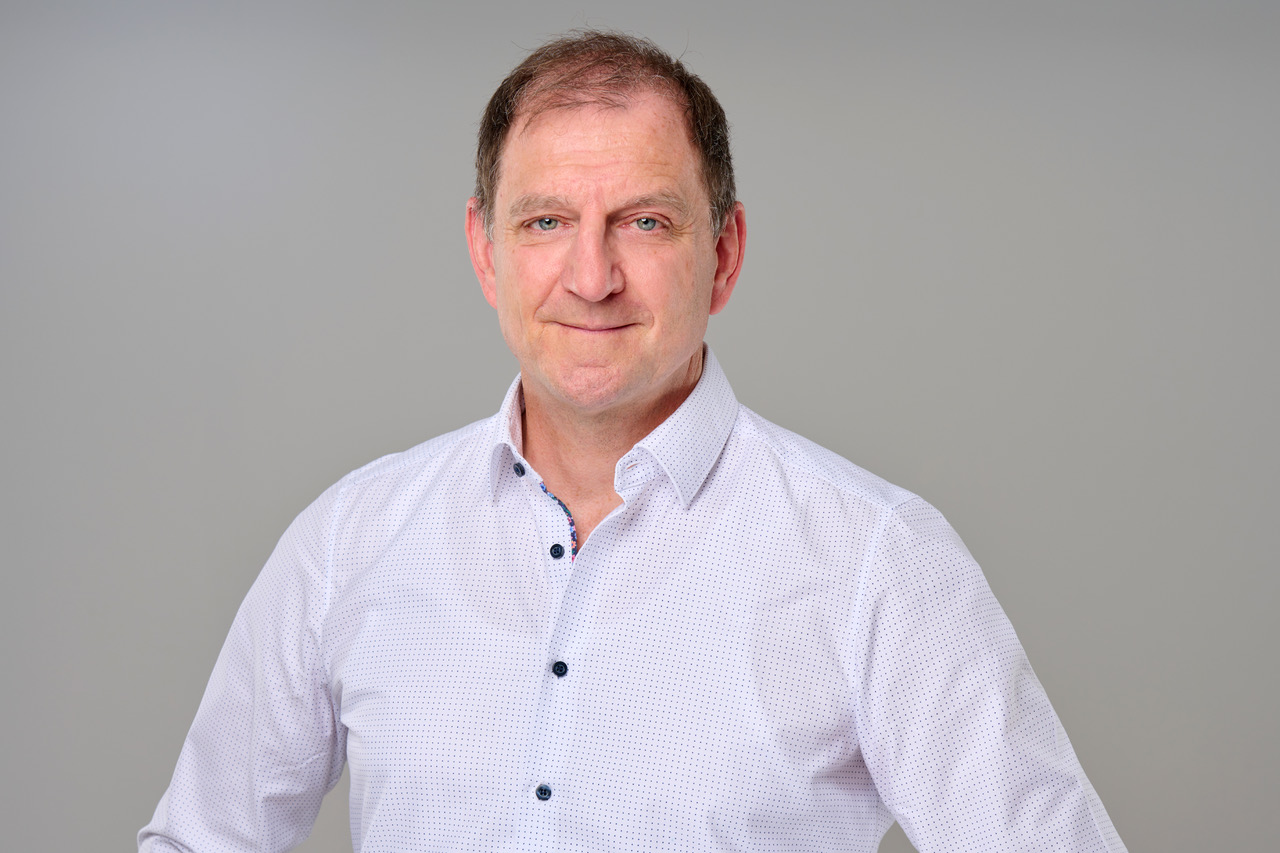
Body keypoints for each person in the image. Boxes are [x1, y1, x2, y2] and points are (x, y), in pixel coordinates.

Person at [140, 30, 1126, 852]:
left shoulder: (876, 562)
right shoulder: (348, 542)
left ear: (723, 254)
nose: (591, 276)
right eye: (545, 222)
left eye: (644, 222)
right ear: (485, 251)